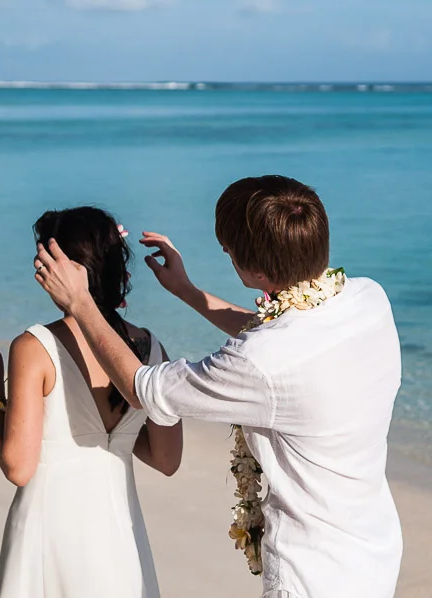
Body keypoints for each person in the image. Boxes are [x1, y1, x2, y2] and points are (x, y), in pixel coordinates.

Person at [32, 175, 404, 598]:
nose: (224, 251)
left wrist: (80, 303)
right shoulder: (367, 298)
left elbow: (143, 389)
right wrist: (188, 292)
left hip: (312, 574)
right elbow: (282, 334)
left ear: (258, 270)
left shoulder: (260, 362)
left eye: (227, 249)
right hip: (375, 550)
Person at [0, 207, 183, 598]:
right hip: (121, 537)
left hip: (50, 534)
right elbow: (166, 460)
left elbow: (18, 466)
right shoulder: (152, 350)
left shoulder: (34, 347)